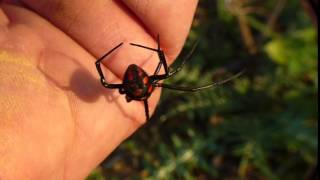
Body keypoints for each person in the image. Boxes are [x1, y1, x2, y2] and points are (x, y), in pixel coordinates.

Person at [0, 0, 198, 179]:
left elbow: (104, 77)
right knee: (171, 73)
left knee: (163, 74)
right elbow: (106, 77)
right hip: (137, 84)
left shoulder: (136, 89)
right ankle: (193, 49)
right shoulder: (140, 90)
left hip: (137, 84)